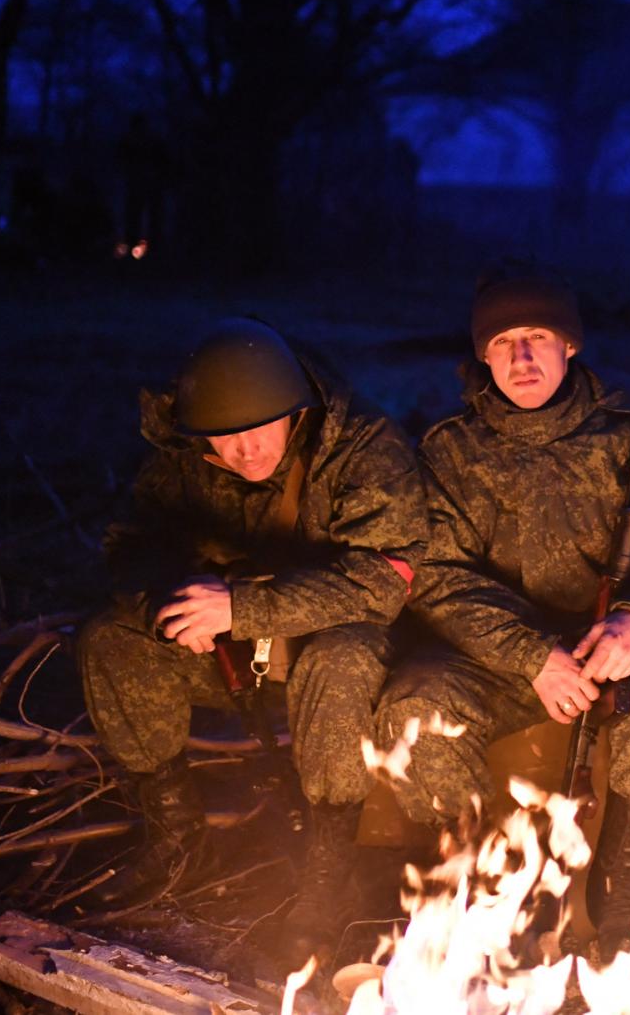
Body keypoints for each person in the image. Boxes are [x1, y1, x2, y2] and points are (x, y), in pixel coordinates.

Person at [374, 262, 630, 953]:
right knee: (414, 703)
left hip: (614, 653)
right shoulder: (449, 450)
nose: (522, 357)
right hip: (499, 662)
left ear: (571, 345)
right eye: (503, 342)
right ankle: (480, 892)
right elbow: (435, 575)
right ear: (482, 355)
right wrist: (531, 654)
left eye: (538, 336)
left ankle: (623, 879)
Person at [78, 318, 427, 968]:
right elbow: (131, 542)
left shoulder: (363, 448)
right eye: (224, 437)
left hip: (347, 664)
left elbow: (384, 582)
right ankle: (176, 834)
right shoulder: (185, 459)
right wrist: (171, 602)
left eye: (258, 429)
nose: (243, 451)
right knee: (112, 639)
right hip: (237, 650)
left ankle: (330, 868)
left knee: (340, 655)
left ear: (293, 409)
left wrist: (240, 606)